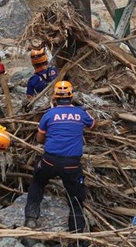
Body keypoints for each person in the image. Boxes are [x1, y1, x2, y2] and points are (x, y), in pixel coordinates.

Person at [24, 80, 95, 235]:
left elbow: (39, 139)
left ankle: (30, 218)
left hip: (50, 160)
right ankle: (76, 235)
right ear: (72, 96)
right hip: (71, 165)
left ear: (54, 98)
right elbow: (92, 124)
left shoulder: (48, 115)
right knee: (76, 200)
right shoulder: (81, 113)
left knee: (38, 181)